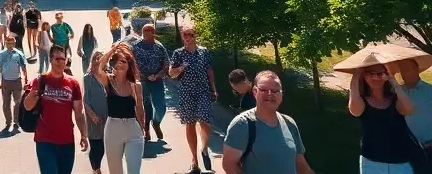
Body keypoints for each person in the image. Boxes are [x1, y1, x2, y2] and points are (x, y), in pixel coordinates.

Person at [222, 70, 314, 173]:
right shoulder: (242, 124)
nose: (270, 94)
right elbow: (229, 164)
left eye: (275, 91)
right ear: (255, 92)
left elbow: (300, 163)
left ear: (281, 94)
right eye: (264, 90)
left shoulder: (289, 123)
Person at [25, 43, 89, 174]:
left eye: (63, 59)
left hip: (66, 140)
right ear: (51, 60)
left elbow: (78, 112)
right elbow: (27, 106)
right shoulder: (40, 81)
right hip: (45, 140)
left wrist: (83, 134)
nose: (60, 62)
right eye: (57, 59)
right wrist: (33, 93)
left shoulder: (73, 83)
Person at [348, 61, 417, 172]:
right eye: (371, 73)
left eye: (381, 73)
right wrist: (356, 76)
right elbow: (354, 111)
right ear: (364, 75)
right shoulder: (362, 101)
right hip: (371, 162)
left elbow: (409, 109)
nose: (376, 77)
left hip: (401, 161)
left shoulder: (394, 99)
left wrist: (393, 79)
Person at [169, 24, 217, 174]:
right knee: (190, 124)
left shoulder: (204, 51)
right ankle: (194, 161)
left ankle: (204, 148)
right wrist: (180, 68)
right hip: (187, 92)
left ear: (195, 36)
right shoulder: (178, 53)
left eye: (191, 34)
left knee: (205, 121)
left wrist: (213, 88)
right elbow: (171, 74)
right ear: (182, 37)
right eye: (185, 35)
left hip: (203, 91)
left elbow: (209, 71)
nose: (188, 37)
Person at [94, 40, 146, 174]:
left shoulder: (136, 85)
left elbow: (140, 108)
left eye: (124, 61)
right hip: (113, 128)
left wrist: (142, 128)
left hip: (133, 129)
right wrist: (113, 50)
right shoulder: (108, 81)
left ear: (129, 64)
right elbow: (100, 67)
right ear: (113, 63)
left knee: (134, 171)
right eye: (118, 61)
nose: (121, 64)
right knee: (115, 171)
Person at [399, 57, 432, 172]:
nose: (404, 72)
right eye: (402, 69)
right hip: (407, 150)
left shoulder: (431, 91)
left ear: (416, 69)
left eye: (407, 69)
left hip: (430, 148)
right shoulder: (398, 92)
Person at [131, 23, 169, 144]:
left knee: (161, 107)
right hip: (142, 80)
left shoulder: (159, 47)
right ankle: (146, 130)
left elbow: (166, 65)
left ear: (153, 34)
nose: (145, 36)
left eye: (148, 33)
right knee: (146, 106)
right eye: (144, 33)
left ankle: (156, 122)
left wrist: (157, 75)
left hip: (157, 80)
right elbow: (132, 63)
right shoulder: (136, 46)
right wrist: (140, 75)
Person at [0, 32, 29, 132]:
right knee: (6, 103)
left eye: (11, 43)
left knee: (18, 102)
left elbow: (23, 67)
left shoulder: (19, 54)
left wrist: (26, 79)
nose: (10, 45)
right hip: (6, 81)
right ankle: (8, 121)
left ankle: (16, 121)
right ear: (6, 44)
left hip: (16, 81)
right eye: (8, 43)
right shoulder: (2, 55)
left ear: (14, 43)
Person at [84, 50, 108, 174]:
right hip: (93, 116)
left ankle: (96, 167)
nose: (97, 61)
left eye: (100, 58)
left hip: (107, 116)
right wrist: (92, 115)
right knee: (95, 145)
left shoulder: (108, 76)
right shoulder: (88, 78)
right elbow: (85, 100)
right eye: (95, 58)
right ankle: (96, 169)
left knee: (103, 146)